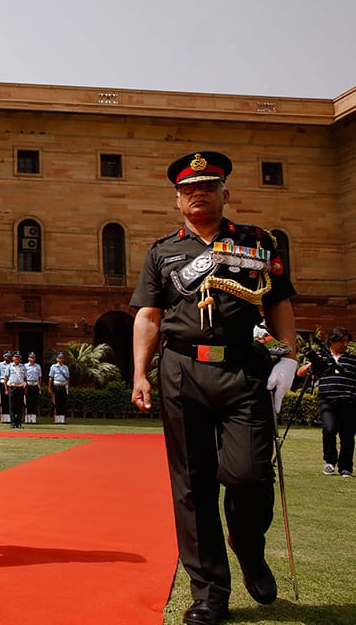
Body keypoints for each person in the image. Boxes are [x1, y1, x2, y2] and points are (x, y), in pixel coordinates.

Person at [130, 151, 297, 625]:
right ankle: (209, 594)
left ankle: (247, 544)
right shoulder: (162, 251)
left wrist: (288, 355)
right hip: (182, 371)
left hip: (244, 369)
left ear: (225, 192)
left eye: (207, 186)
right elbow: (148, 316)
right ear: (178, 200)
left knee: (248, 473)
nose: (197, 194)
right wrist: (140, 373)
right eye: (188, 189)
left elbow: (280, 302)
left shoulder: (257, 242)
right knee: (192, 486)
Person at [298, 326, 356, 477]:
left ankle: (346, 467)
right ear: (332, 341)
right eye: (342, 341)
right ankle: (330, 461)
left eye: (347, 341)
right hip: (327, 400)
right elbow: (300, 373)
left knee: (347, 435)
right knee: (329, 429)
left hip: (348, 401)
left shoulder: (352, 359)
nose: (345, 344)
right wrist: (313, 363)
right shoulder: (322, 357)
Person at [48, 352, 70, 424]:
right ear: (57, 359)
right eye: (59, 358)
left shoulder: (65, 367)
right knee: (56, 403)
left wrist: (67, 387)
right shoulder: (53, 367)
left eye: (62, 358)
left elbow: (67, 378)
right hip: (56, 385)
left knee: (63, 403)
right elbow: (51, 378)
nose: (61, 359)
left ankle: (62, 419)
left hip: (63, 385)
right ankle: (56, 419)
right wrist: (49, 388)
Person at [22, 352, 42, 424]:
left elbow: (40, 377)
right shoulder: (25, 366)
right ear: (28, 358)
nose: (32, 359)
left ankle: (33, 418)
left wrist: (39, 387)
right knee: (27, 402)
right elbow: (23, 377)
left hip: (35, 384)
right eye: (31, 357)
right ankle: (27, 418)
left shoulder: (38, 366)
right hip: (28, 384)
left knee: (34, 402)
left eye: (33, 357)